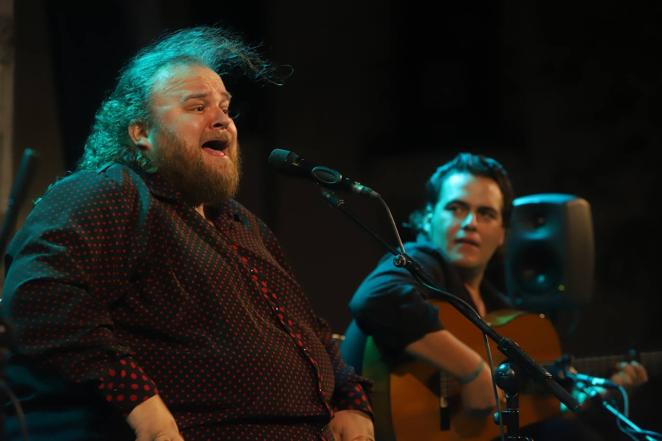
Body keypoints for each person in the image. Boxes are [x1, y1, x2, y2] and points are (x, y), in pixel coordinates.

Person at [1, 26, 374, 441]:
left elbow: (313, 328)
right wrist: (145, 409)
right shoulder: (114, 192)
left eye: (226, 107)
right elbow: (42, 294)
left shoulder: (245, 225)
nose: (222, 120)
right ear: (140, 132)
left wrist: (351, 401)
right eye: (197, 107)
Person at [341, 152, 647, 440]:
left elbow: (528, 413)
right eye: (456, 208)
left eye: (485, 213)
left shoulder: (502, 310)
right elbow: (378, 297)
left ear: (503, 233)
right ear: (428, 218)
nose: (470, 223)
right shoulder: (422, 261)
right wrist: (472, 371)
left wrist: (601, 396)